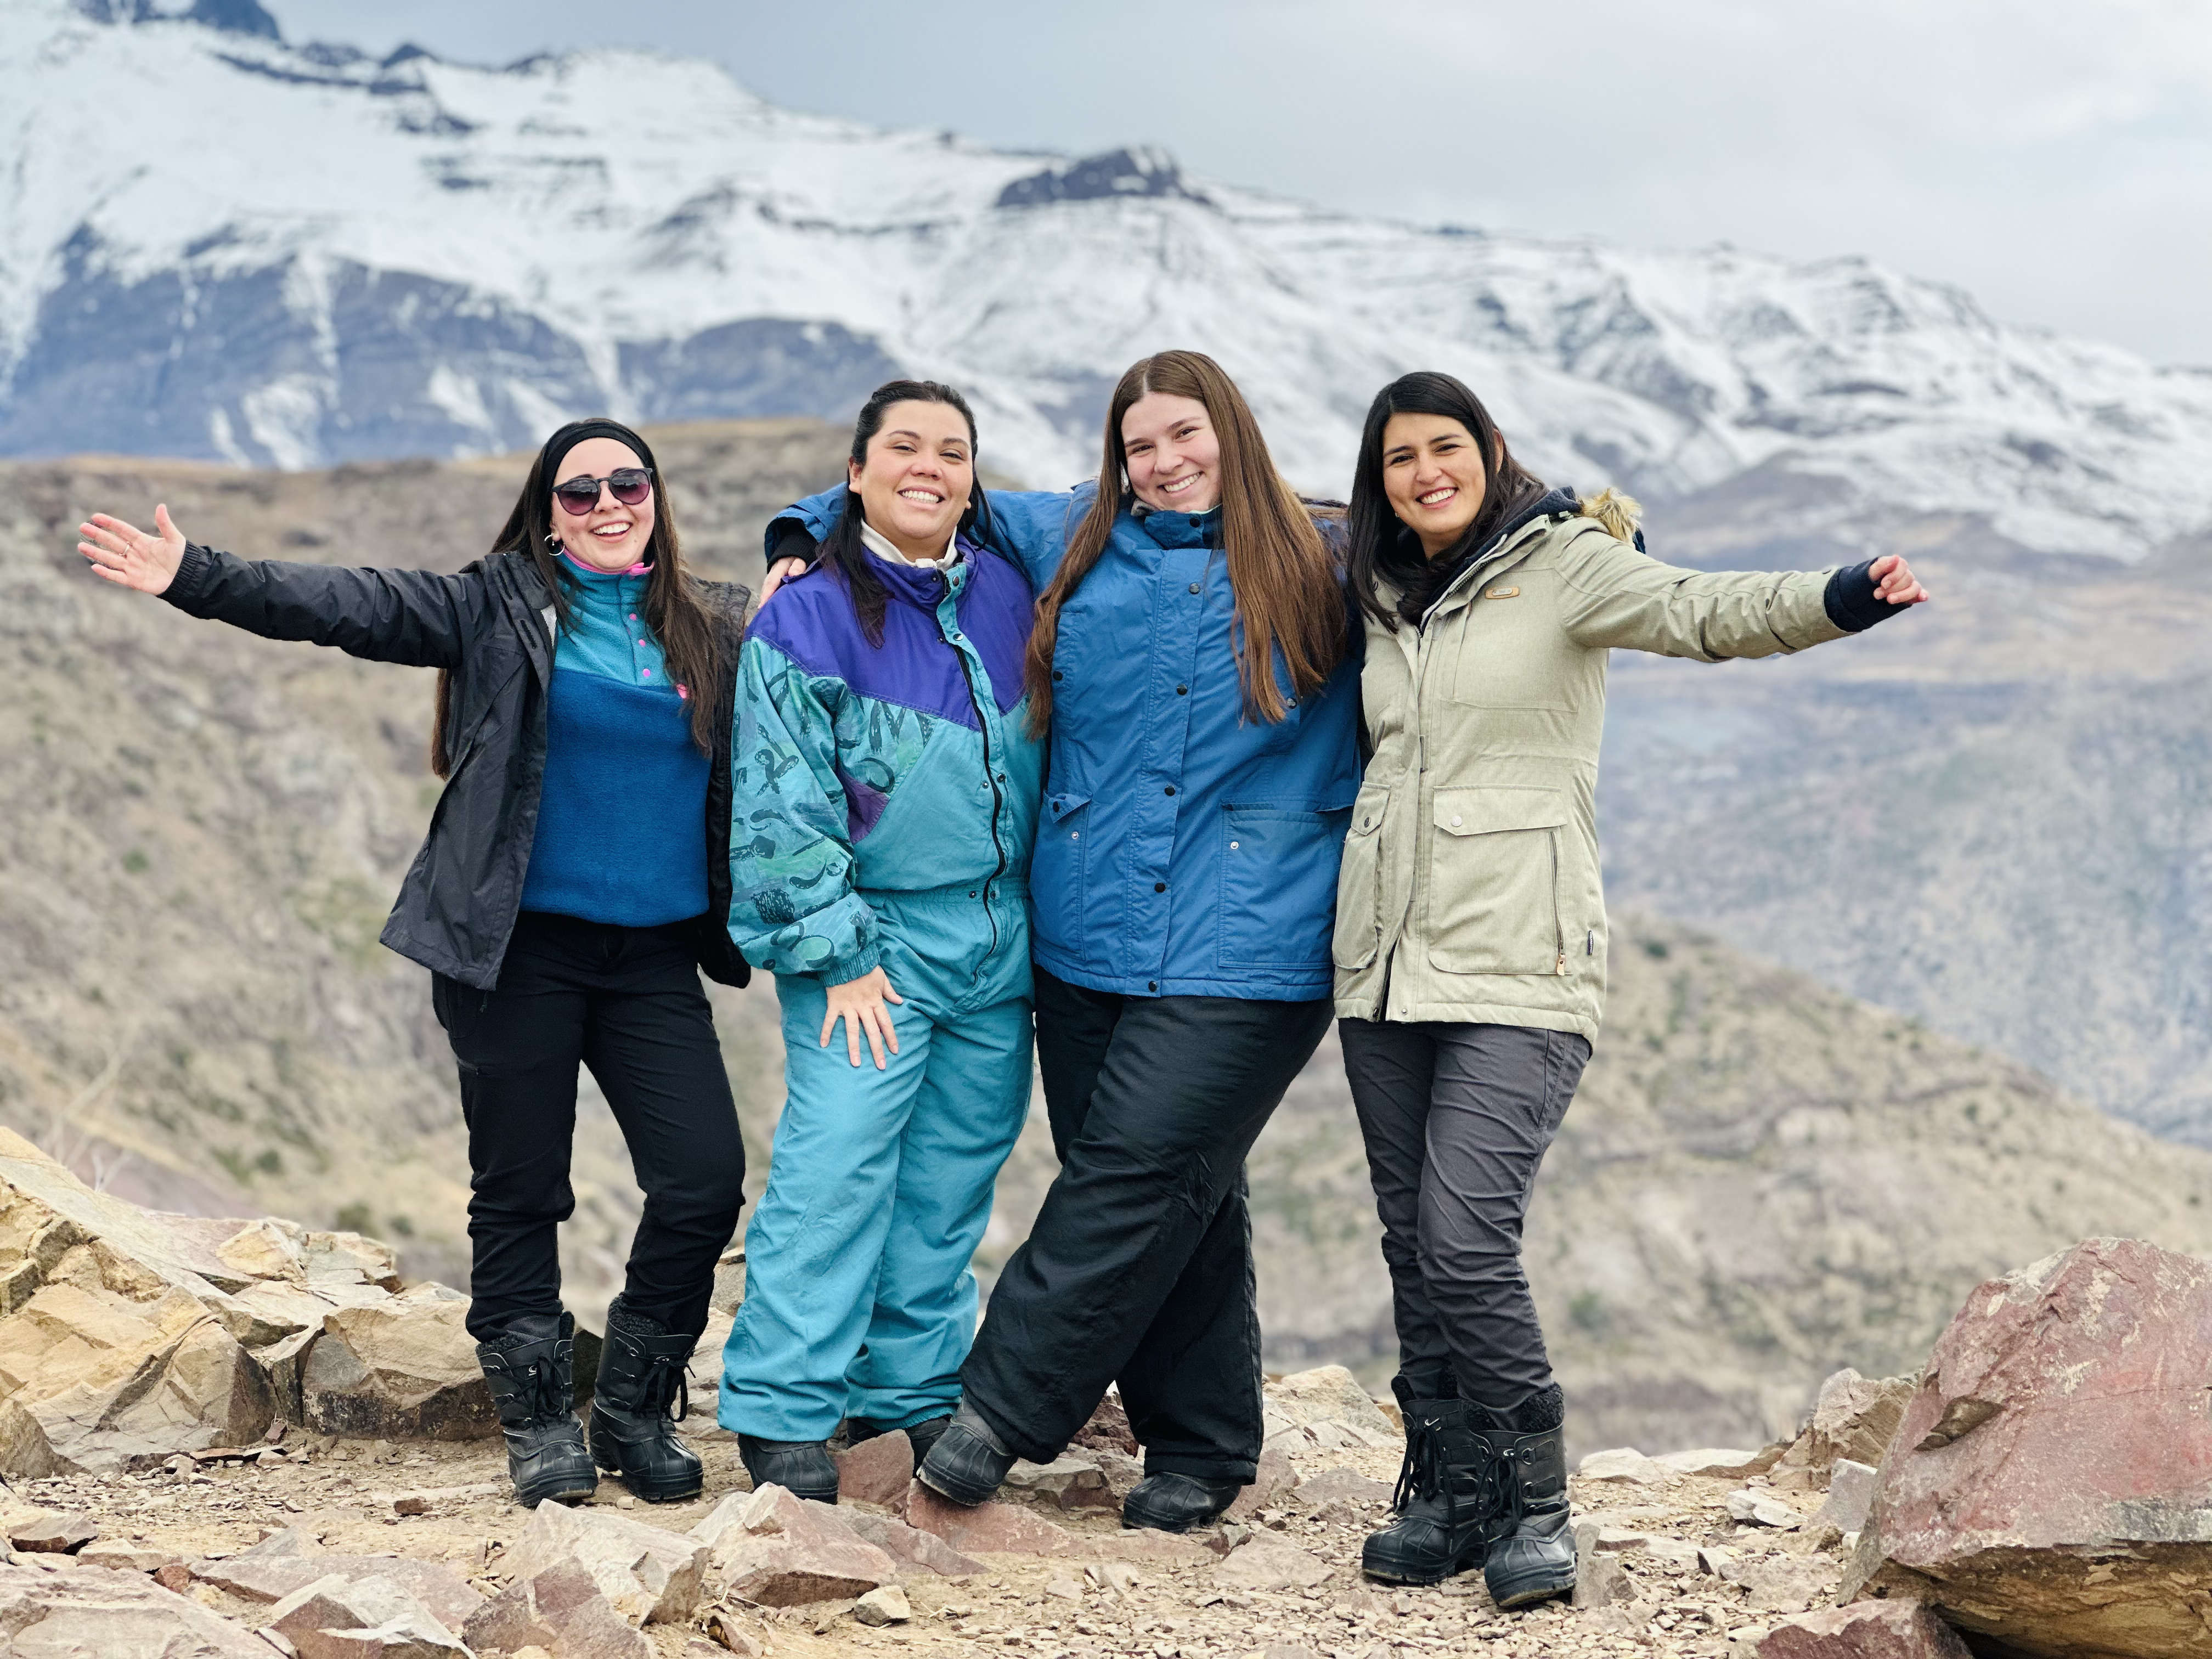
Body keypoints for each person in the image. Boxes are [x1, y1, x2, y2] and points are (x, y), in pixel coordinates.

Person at [76, 420, 752, 1509]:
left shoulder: (718, 624)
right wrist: (193, 575)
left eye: (630, 483)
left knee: (704, 1178)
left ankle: (633, 1404)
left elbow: (837, 596)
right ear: (549, 514)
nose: (609, 502)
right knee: (522, 1189)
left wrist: (805, 534)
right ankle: (538, 1421)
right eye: (581, 493)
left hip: (653, 960)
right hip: (513, 950)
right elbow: (343, 603)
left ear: (658, 497)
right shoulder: (495, 605)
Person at [1333, 371, 1928, 1602]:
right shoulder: (1379, 589)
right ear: (1377, 478)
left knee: (1464, 1238)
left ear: (1493, 453)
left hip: (1523, 962)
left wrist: (1839, 599)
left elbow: (1705, 611)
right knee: (1410, 1245)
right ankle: (1449, 1495)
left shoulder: (1565, 564)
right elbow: (1212, 497)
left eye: (1447, 448)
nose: (1424, 473)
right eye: (1400, 458)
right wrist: (810, 537)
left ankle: (1539, 1505)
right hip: (1385, 966)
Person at [760, 349, 1361, 1533]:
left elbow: (1466, 533)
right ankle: (1197, 1445)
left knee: (1128, 1177)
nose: (1164, 461)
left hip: (1250, 937)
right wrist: (803, 528)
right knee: (1182, 1184)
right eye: (1139, 445)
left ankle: (1000, 1408)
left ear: (1234, 433)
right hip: (1083, 939)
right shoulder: (1074, 531)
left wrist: (1571, 524)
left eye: (1186, 435)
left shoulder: (1326, 551)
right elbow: (931, 493)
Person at [718, 380, 1044, 1503]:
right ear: (853, 473)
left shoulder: (1006, 585)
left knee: (953, 1176)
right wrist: (840, 952)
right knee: (838, 1163)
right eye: (902, 447)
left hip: (1000, 939)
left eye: (951, 452)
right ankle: (783, 1405)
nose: (929, 468)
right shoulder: (804, 615)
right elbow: (777, 802)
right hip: (875, 939)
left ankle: (905, 1392)